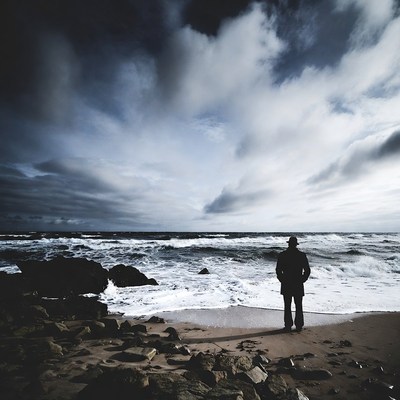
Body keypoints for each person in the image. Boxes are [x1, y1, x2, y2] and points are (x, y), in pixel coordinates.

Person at [276, 236, 310, 332]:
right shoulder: (301, 255)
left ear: (288, 244)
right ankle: (299, 325)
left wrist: (282, 280)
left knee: (287, 305)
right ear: (296, 244)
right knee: (298, 305)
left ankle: (288, 325)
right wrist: (303, 280)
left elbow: (278, 270)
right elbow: (307, 270)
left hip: (286, 282)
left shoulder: (282, 255)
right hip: (298, 283)